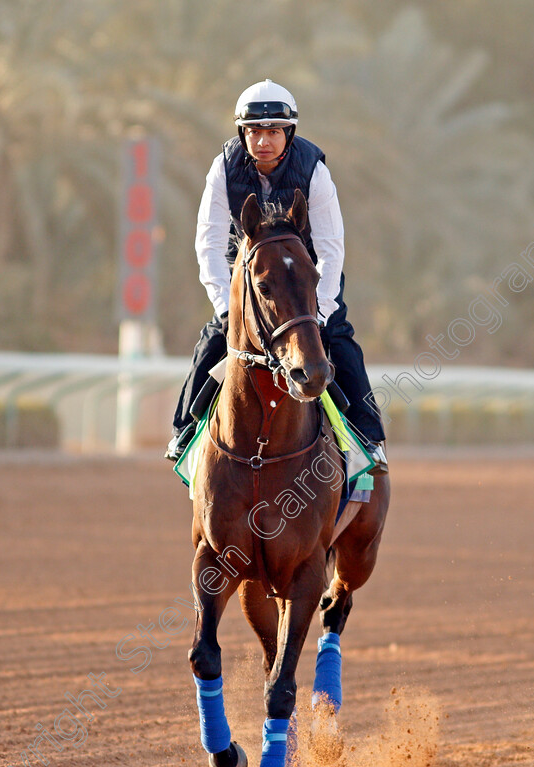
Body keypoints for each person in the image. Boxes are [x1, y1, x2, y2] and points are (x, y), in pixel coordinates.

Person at [165, 79, 387, 474]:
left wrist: (320, 311)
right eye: (254, 132)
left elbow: (331, 248)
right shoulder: (223, 168)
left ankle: (369, 438)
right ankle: (183, 433)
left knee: (339, 338)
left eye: (273, 132)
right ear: (242, 133)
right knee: (214, 341)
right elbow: (209, 243)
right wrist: (224, 308)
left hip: (303, 279)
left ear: (289, 134)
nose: (263, 141)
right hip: (248, 276)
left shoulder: (314, 170)